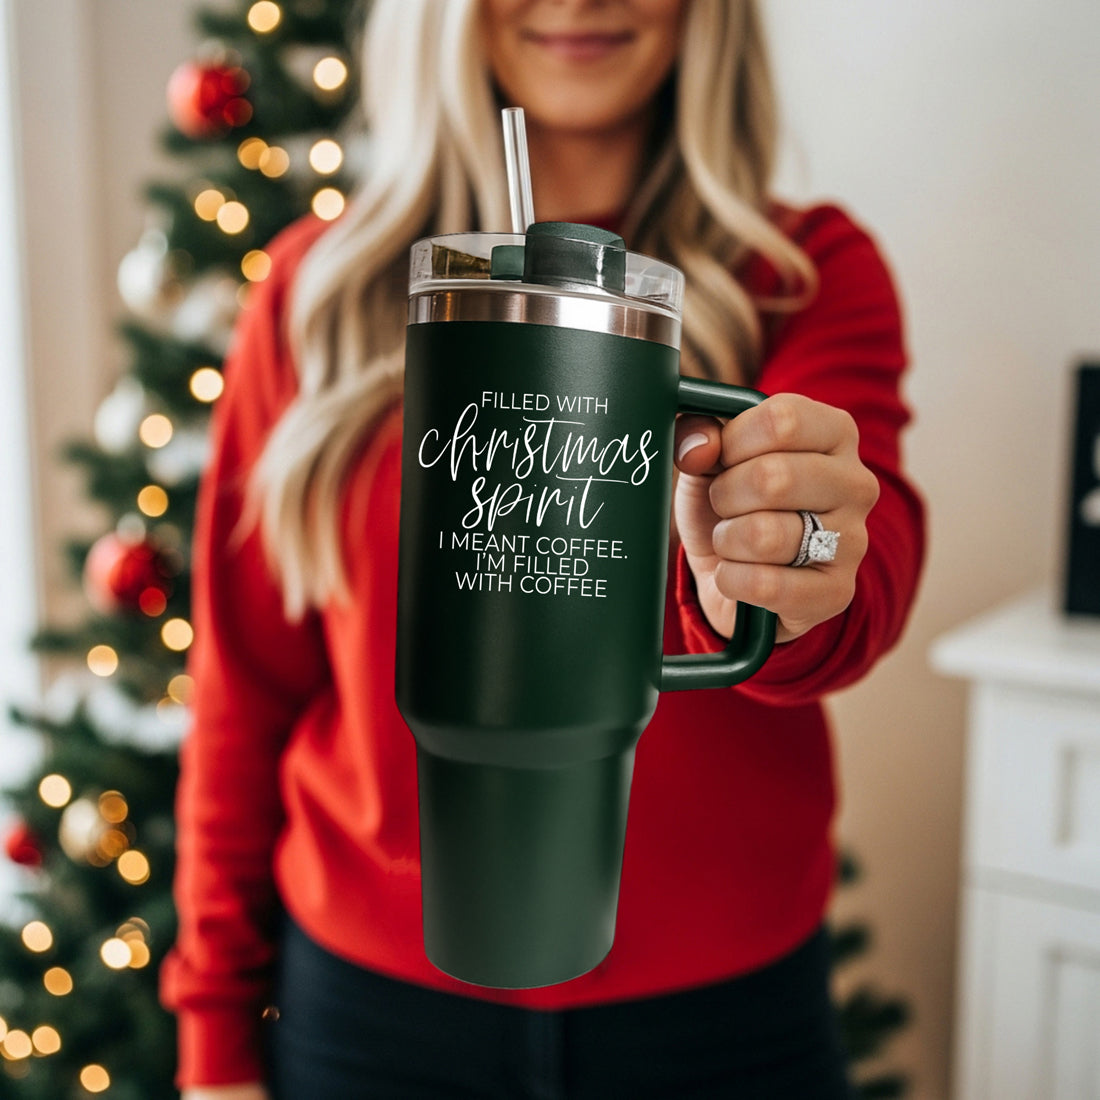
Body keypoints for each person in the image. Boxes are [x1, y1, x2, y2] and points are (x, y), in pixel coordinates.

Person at [162, 0, 925, 1097]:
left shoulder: (802, 274)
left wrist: (788, 576)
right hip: (370, 1017)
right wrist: (213, 1036)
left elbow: (867, 560)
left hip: (723, 1022)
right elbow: (243, 692)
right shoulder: (313, 293)